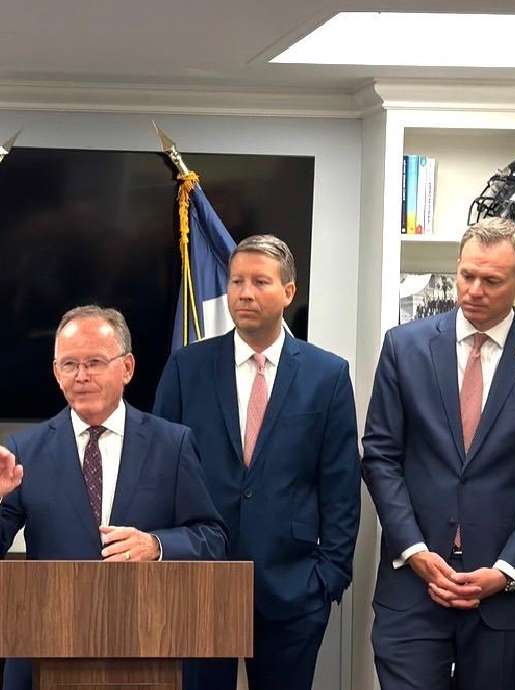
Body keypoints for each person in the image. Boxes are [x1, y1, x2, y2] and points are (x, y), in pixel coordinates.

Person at [362, 217, 515, 690]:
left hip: (504, 595)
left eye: (491, 280)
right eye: (466, 275)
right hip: (414, 584)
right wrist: (414, 550)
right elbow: (380, 454)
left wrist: (505, 571)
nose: (474, 290)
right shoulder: (405, 347)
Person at [0, 305, 228, 690]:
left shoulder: (172, 444)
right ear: (56, 373)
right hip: (46, 652)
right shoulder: (25, 450)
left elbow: (212, 538)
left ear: (127, 368)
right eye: (69, 364)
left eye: (95, 362)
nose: (81, 376)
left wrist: (155, 545)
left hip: (147, 649)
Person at [152, 235, 360, 690]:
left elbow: (341, 485)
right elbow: (159, 470)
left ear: (289, 292)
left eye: (260, 282)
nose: (244, 293)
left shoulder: (328, 374)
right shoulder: (188, 367)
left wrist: (329, 576)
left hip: (294, 587)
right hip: (199, 586)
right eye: (236, 281)